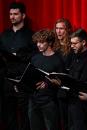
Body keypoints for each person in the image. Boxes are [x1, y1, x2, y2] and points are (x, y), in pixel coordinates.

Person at [0, 2, 36, 130]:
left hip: (23, 81)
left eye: (15, 14)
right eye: (10, 14)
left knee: (26, 115)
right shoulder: (4, 35)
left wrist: (19, 56)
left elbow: (35, 57)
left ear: (23, 15)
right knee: (8, 115)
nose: (12, 17)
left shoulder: (31, 35)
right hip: (6, 80)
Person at [29, 29, 64, 130]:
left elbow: (61, 82)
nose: (38, 45)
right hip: (34, 99)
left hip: (49, 102)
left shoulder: (57, 60)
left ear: (49, 42)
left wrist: (49, 83)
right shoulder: (35, 58)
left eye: (41, 42)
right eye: (37, 42)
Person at [67, 28, 87, 130]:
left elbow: (84, 81)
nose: (72, 46)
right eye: (71, 43)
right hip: (71, 99)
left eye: (75, 44)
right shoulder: (75, 55)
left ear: (84, 42)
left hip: (82, 102)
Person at [53, 18, 73, 130]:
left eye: (61, 28)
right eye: (57, 28)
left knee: (65, 120)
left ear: (68, 30)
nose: (58, 31)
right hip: (52, 87)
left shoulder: (72, 47)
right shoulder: (53, 46)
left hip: (64, 89)